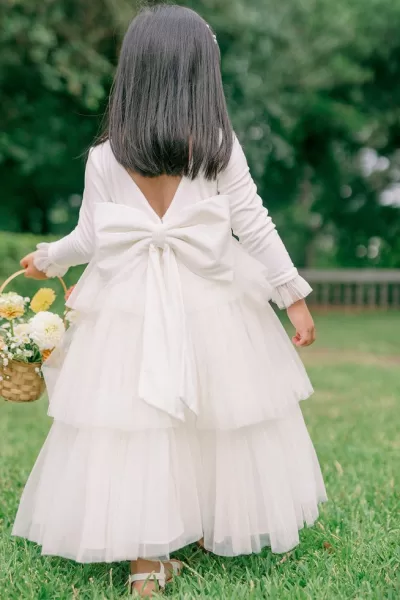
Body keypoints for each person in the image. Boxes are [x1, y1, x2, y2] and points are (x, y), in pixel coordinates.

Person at [14, 4, 327, 597]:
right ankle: (215, 524)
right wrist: (293, 297)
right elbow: (253, 226)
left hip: (128, 303)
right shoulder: (216, 146)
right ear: (198, 75)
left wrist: (51, 257)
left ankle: (147, 561)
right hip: (212, 299)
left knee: (139, 420)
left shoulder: (105, 156)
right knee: (218, 409)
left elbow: (91, 236)